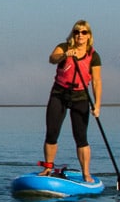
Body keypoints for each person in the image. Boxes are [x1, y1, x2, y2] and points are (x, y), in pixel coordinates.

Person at [41, 19, 102, 182]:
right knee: (52, 133)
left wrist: (97, 105)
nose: (80, 35)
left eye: (84, 32)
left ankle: (86, 173)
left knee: (81, 137)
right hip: (59, 94)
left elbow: (96, 81)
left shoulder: (94, 56)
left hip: (80, 97)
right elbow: (52, 59)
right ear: (73, 34)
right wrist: (64, 55)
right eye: (77, 32)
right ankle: (48, 168)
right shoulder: (64, 47)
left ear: (89, 36)